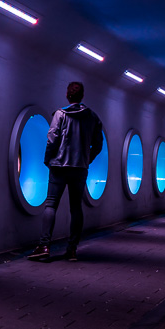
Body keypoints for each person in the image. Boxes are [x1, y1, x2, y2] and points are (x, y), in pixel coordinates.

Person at [29, 82, 104, 261]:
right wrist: (87, 158)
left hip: (59, 166)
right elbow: (99, 144)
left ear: (67, 95)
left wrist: (48, 159)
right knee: (76, 208)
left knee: (51, 204)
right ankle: (71, 250)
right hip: (80, 168)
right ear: (82, 96)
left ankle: (44, 246)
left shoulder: (60, 114)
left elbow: (52, 138)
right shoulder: (92, 117)